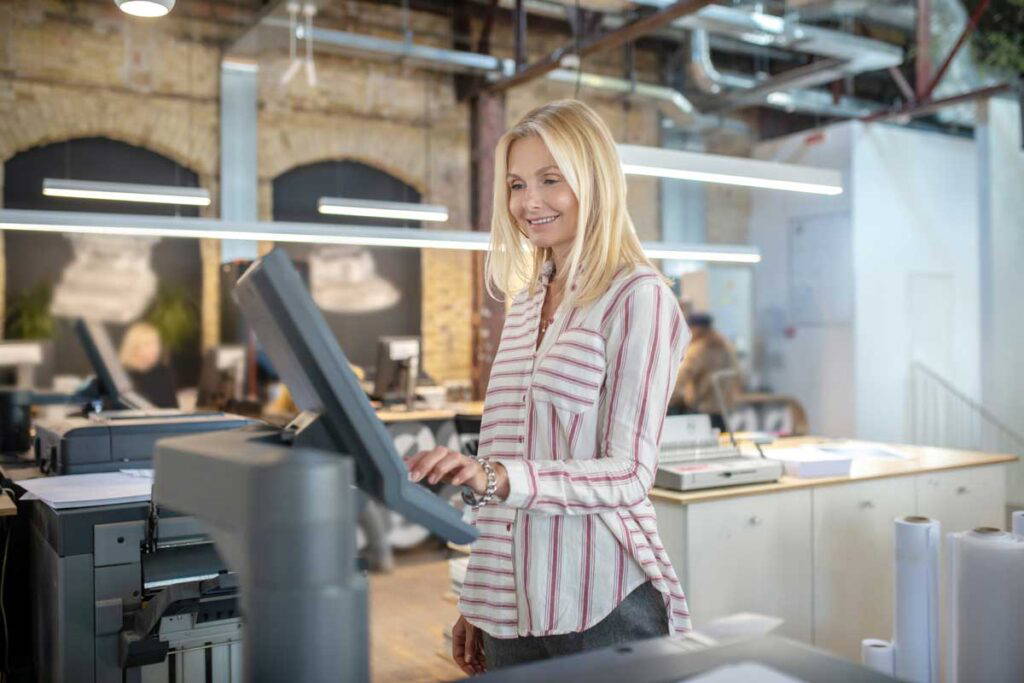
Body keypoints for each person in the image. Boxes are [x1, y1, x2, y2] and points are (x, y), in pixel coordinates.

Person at [403, 100, 691, 675]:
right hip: (512, 605)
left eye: (550, 180)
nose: (528, 202)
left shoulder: (638, 296)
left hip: (601, 601)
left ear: (594, 183)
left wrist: (502, 477)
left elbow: (630, 472)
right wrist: (479, 601)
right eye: (516, 185)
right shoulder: (527, 298)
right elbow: (502, 458)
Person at [670, 312, 740, 432]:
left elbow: (682, 376)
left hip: (702, 411)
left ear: (695, 328)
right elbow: (738, 375)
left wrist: (667, 398)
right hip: (723, 411)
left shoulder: (698, 349)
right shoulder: (726, 347)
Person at [118, 321, 178, 408]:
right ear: (134, 347)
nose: (155, 349)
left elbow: (172, 408)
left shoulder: (163, 373)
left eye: (156, 343)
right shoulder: (122, 376)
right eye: (148, 344)